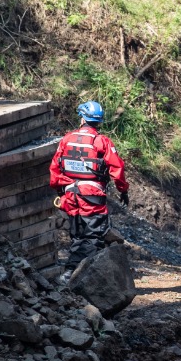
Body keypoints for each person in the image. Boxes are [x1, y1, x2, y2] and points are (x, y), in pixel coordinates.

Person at [49, 100, 129, 274]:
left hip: (69, 195)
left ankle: (71, 271)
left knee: (77, 235)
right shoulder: (102, 142)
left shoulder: (67, 139)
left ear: (82, 119)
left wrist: (59, 189)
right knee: (93, 236)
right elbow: (117, 168)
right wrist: (123, 190)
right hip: (92, 195)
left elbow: (55, 167)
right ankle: (83, 275)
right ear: (98, 121)